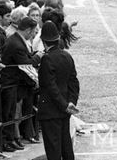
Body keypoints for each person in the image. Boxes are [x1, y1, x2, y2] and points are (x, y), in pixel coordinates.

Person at [37, 21, 79, 160]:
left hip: (51, 110)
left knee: (53, 150)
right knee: (66, 146)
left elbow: (50, 87)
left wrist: (63, 105)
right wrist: (71, 102)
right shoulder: (67, 56)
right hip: (65, 109)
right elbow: (73, 81)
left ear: (44, 41)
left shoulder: (47, 59)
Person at [0, 17, 42, 153]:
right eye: (34, 31)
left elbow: (26, 57)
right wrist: (38, 56)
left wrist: (33, 55)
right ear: (28, 30)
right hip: (9, 83)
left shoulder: (18, 40)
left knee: (12, 113)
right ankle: (6, 140)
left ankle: (11, 139)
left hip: (14, 83)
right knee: (8, 113)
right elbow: (26, 63)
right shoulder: (16, 43)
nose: (34, 34)